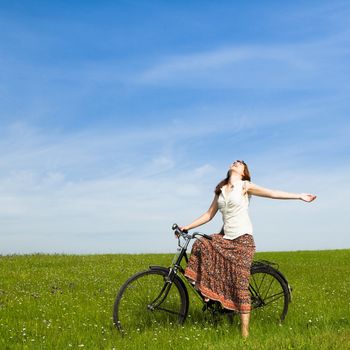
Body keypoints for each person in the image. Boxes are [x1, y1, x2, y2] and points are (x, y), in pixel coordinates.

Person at [180, 160, 316, 338]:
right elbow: (208, 215)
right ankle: (209, 291)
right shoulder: (220, 190)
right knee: (201, 243)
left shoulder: (245, 186)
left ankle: (245, 333)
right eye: (234, 162)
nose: (236, 163)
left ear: (244, 172)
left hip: (243, 240)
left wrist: (299, 196)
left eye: (240, 163)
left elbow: (272, 193)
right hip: (226, 238)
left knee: (240, 285)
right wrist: (187, 227)